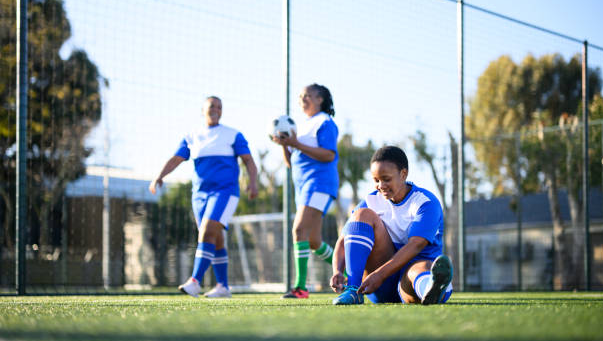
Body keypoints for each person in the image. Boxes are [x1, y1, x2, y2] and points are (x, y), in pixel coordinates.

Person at [149, 96, 258, 298]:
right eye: (211, 106)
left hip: (225, 192)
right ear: (202, 111)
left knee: (207, 231)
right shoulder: (192, 136)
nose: (215, 109)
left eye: (219, 107)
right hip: (199, 195)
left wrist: (253, 182)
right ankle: (223, 287)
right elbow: (176, 159)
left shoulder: (233, 134)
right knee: (214, 238)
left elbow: (249, 161)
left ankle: (194, 281)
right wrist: (159, 175)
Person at [330, 145, 452, 305]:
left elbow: (416, 245)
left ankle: (430, 288)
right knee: (361, 215)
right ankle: (353, 290)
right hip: (377, 285)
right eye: (376, 180)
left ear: (403, 174)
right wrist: (338, 271)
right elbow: (343, 241)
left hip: (409, 280)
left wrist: (379, 274)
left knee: (419, 269)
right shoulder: (370, 201)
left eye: (386, 179)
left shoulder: (426, 203)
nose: (381, 185)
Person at [271, 83, 339, 299]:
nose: (302, 99)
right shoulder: (301, 126)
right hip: (304, 188)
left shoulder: (325, 122)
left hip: (319, 184)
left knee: (298, 230)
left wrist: (296, 143)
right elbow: (291, 162)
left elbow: (329, 155)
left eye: (307, 95)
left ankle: (300, 287)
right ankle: (347, 272)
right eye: (300, 96)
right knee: (313, 241)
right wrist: (284, 144)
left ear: (320, 99)